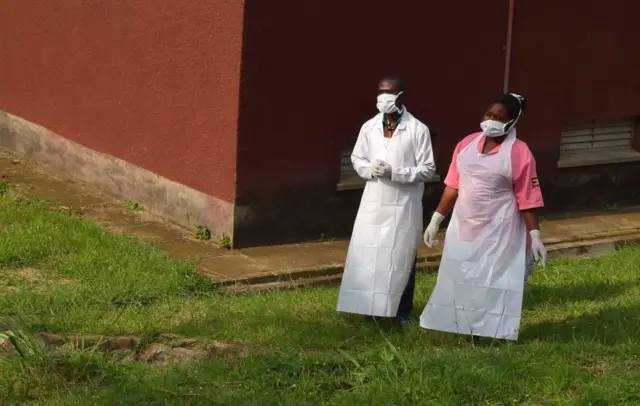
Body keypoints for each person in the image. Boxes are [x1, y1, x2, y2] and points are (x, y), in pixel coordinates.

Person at [419, 93, 546, 340]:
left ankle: (492, 330)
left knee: (494, 279)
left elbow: (527, 198)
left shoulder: (519, 153)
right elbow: (453, 186)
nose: (491, 121)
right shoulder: (466, 144)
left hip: (501, 229)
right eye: (489, 114)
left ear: (512, 122)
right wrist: (436, 219)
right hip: (465, 226)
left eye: (499, 118)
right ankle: (463, 324)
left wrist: (535, 235)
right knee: (462, 276)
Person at [337, 76, 436, 323]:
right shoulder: (369, 127)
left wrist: (396, 172)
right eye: (381, 91)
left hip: (403, 204)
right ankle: (370, 310)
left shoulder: (417, 129)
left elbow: (427, 169)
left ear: (401, 95)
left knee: (402, 256)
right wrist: (370, 169)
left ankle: (401, 312)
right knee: (371, 256)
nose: (384, 96)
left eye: (390, 91)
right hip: (374, 202)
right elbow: (357, 158)